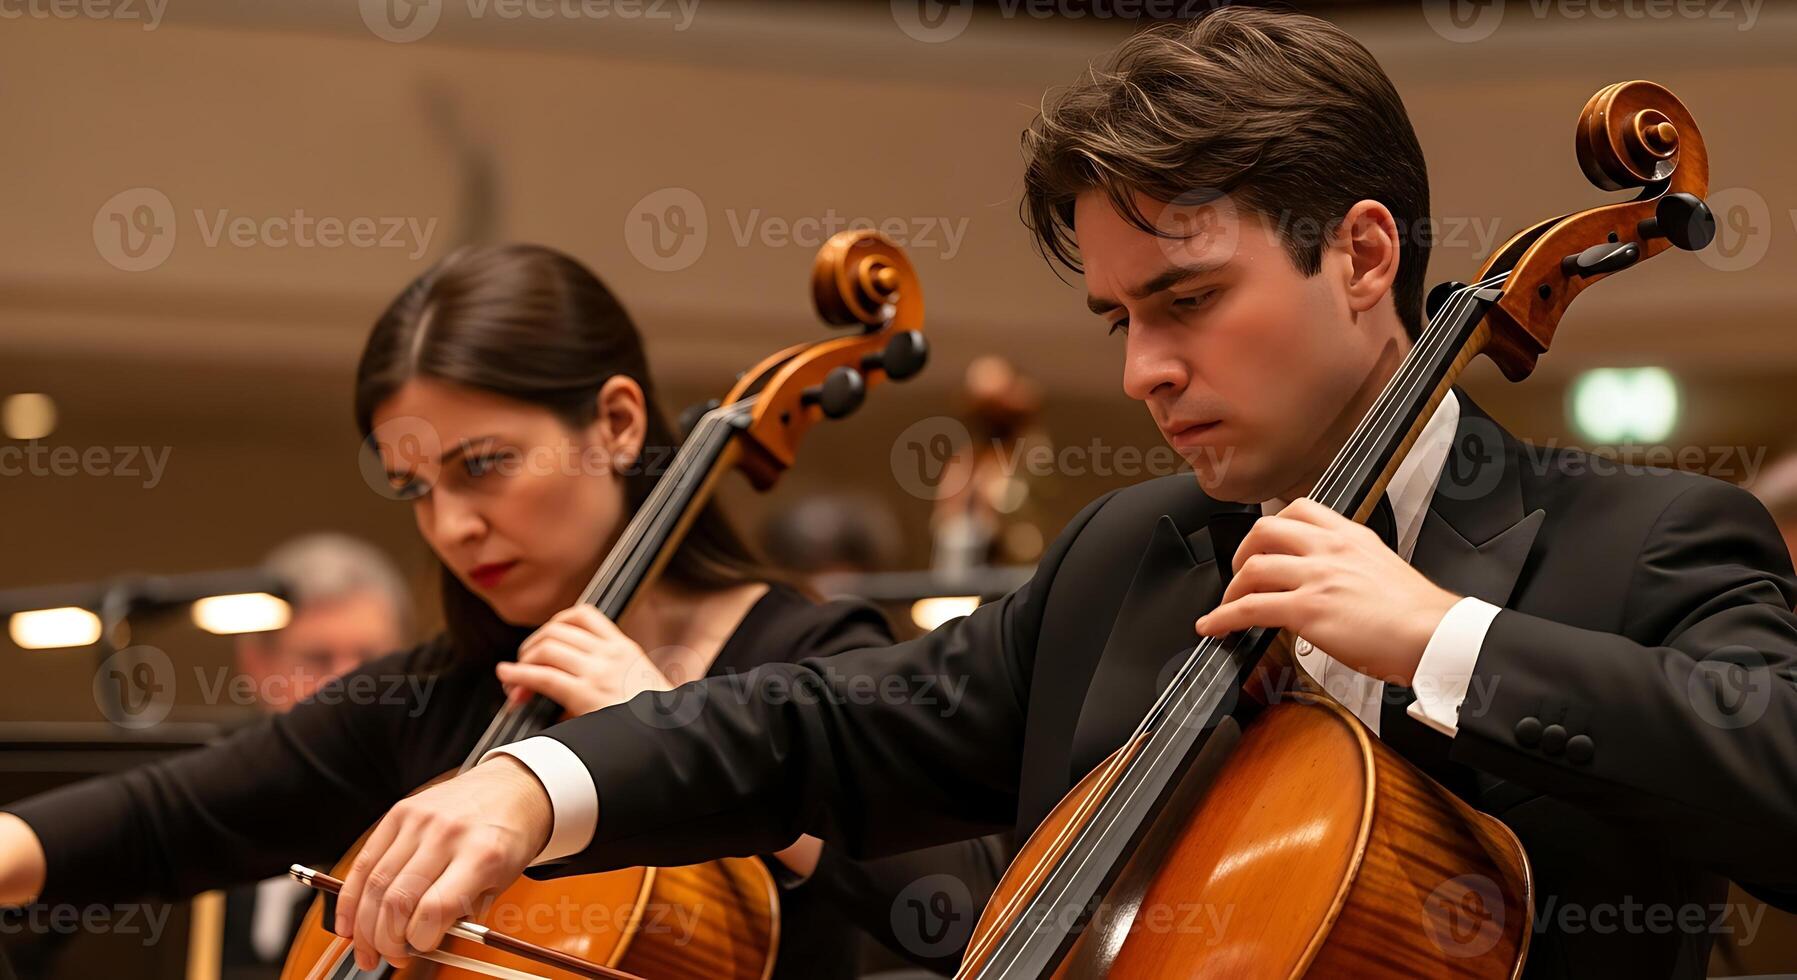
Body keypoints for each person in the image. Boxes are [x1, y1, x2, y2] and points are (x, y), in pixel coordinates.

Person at [324, 10, 1797, 979]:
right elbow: (823, 722)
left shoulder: (1646, 539)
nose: (1147, 370)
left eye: (1188, 300)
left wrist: (1440, 641)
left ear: (1359, 255)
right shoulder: (1130, 559)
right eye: (1118, 321)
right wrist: (537, 784)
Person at [0, 243, 999, 979]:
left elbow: (961, 912)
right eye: (416, 487)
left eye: (484, 466)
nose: (452, 524)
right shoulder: (438, 693)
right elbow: (167, 818)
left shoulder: (803, 657)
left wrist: (688, 737)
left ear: (615, 422)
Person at [223, 533, 413, 979]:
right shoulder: (213, 804)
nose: (349, 686)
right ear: (256, 665)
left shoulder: (439, 800)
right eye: (317, 658)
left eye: (372, 660)